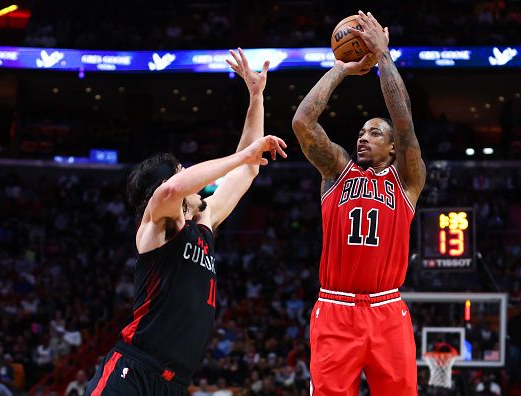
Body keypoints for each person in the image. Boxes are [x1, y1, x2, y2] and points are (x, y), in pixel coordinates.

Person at [86, 49, 287, 396]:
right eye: (183, 170)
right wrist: (241, 154)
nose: (194, 179)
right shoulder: (155, 229)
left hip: (174, 384)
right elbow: (177, 186)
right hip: (133, 371)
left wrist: (256, 98)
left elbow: (248, 168)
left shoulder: (204, 220)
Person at [292, 10, 426, 395]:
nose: (363, 138)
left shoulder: (407, 179)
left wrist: (384, 55)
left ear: (391, 147)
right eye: (360, 132)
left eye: (373, 133)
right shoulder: (337, 171)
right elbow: (303, 123)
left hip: (387, 308)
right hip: (336, 309)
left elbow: (404, 123)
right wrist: (341, 69)